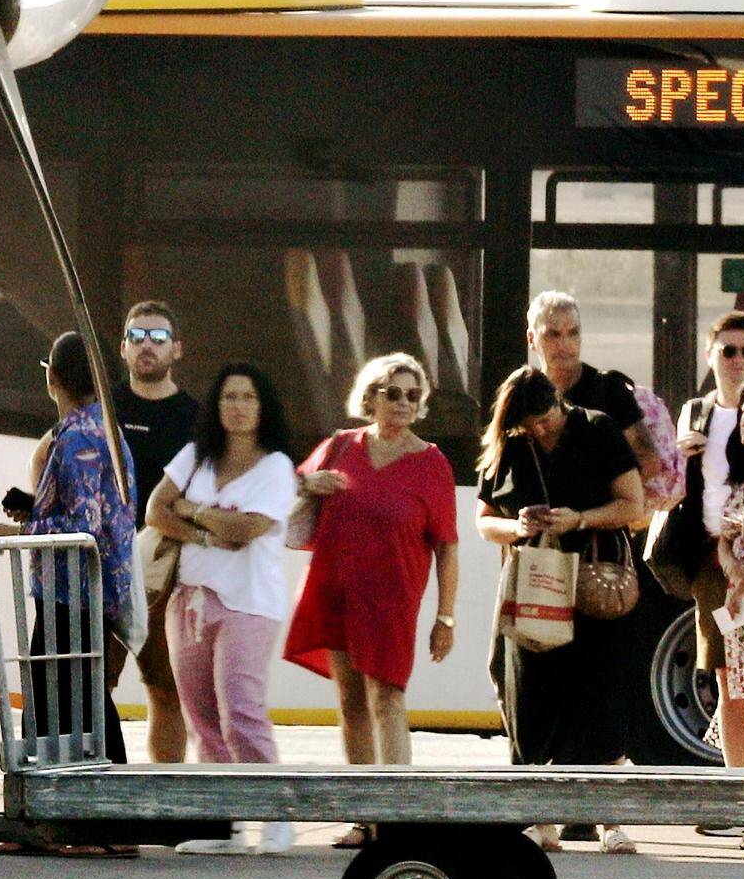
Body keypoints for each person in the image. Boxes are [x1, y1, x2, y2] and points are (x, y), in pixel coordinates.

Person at [479, 362, 657, 839]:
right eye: (530, 424)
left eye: (546, 418)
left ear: (558, 402)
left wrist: (577, 519)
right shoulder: (512, 445)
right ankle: (542, 820)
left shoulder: (597, 428)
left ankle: (608, 820)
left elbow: (632, 504)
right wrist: (518, 527)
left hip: (594, 584)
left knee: (602, 701)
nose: (540, 429)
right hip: (535, 585)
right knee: (532, 701)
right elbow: (484, 519)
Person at [282, 352, 461, 784]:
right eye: (394, 393)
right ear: (371, 397)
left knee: (387, 696)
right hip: (336, 592)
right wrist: (308, 483)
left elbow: (448, 547)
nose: (404, 403)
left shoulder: (432, 462)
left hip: (392, 601)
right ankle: (365, 816)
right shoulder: (342, 446)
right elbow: (278, 487)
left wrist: (445, 617)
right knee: (351, 701)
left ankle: (397, 816)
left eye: (413, 395)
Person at [148, 359, 302, 848]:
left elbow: (250, 528)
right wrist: (206, 524)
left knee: (241, 710)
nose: (238, 407)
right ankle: (226, 825)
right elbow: (156, 509)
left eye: (249, 397)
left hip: (248, 602)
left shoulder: (276, 466)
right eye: (230, 397)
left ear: (264, 407)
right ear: (216, 405)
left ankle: (277, 816)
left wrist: (190, 511)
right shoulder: (196, 455)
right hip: (188, 600)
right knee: (202, 717)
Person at [8, 330, 139, 768]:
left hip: (72, 593)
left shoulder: (78, 439)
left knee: (59, 704)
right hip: (88, 594)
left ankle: (70, 812)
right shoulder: (105, 429)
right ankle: (100, 813)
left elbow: (85, 528)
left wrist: (24, 531)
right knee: (80, 700)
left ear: (53, 380)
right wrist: (36, 512)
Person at [674, 314, 744, 779]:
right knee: (727, 679)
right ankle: (737, 785)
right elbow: (673, 488)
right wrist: (679, 456)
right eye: (728, 350)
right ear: (710, 354)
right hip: (713, 562)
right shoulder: (695, 412)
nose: (737, 360)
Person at [107, 301, 205, 762]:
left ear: (177, 349)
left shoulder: (198, 418)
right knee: (91, 689)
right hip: (102, 566)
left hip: (166, 575)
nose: (148, 345)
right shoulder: (103, 408)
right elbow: (47, 453)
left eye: (159, 337)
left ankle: (161, 805)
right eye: (138, 336)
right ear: (123, 347)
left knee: (166, 692)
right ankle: (94, 807)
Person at [516, 288, 682, 507]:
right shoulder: (524, 393)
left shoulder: (607, 389)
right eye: (553, 334)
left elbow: (649, 460)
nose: (565, 344)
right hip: (538, 527)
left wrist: (597, 503)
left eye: (573, 333)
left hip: (600, 529)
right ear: (531, 338)